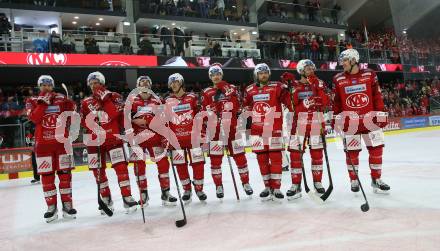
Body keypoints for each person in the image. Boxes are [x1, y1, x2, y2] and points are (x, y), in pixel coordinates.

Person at [332, 49, 390, 193]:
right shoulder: (338, 78)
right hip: (351, 123)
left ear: (353, 60)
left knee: (376, 151)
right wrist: (336, 118)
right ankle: (354, 180)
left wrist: (381, 113)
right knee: (352, 153)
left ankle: (376, 179)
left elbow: (377, 95)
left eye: (344, 60)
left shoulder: (369, 74)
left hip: (371, 121)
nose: (342, 63)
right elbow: (337, 102)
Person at [80, 72, 138, 214]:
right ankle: (106, 199)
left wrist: (105, 99)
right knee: (98, 172)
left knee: (121, 169)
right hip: (94, 141)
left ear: (102, 83)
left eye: (96, 82)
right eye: (91, 83)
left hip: (113, 138)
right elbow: (83, 122)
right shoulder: (86, 102)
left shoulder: (114, 96)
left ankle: (127, 197)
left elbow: (113, 114)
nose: (94, 86)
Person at [25, 75, 77, 222]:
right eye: (43, 85)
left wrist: (70, 102)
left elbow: (72, 116)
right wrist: (43, 104)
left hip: (63, 144)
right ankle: (51, 207)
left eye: (49, 85)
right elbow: (34, 118)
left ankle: (67, 205)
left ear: (52, 86)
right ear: (39, 86)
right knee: (47, 178)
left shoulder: (61, 98)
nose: (46, 87)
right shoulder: (32, 101)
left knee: (65, 176)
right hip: (43, 146)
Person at [201, 65, 253, 199]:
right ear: (210, 77)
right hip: (215, 132)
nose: (216, 76)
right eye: (213, 75)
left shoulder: (232, 88)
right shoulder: (207, 92)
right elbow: (204, 113)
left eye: (218, 74)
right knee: (215, 160)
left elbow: (238, 106)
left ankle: (246, 183)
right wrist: (211, 112)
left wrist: (227, 93)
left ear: (222, 75)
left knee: (240, 157)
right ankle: (218, 185)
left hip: (232, 129)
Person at [243, 63, 292, 202]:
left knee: (276, 159)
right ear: (256, 75)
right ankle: (267, 186)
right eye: (260, 73)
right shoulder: (249, 90)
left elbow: (289, 102)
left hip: (274, 129)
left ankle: (276, 188)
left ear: (268, 74)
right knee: (262, 160)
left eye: (265, 72)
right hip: (256, 131)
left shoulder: (277, 87)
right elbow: (246, 107)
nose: (263, 75)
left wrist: (290, 86)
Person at [128, 76, 178, 207]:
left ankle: (165, 192)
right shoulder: (131, 100)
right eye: (141, 83)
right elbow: (124, 119)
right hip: (138, 139)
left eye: (147, 83)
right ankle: (143, 193)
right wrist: (131, 121)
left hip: (155, 138)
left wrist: (146, 121)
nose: (144, 85)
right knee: (139, 167)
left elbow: (162, 119)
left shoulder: (158, 100)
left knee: (163, 164)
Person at [287, 60, 329, 200]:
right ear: (300, 70)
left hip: (316, 124)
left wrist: (318, 89)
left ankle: (317, 182)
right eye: (307, 68)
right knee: (295, 156)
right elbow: (293, 108)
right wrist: (305, 103)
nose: (310, 69)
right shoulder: (294, 86)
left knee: (317, 156)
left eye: (312, 67)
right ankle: (296, 184)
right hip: (298, 125)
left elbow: (325, 102)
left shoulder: (319, 83)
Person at [165, 73, 207, 204]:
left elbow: (201, 116)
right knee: (180, 166)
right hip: (177, 141)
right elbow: (165, 122)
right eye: (171, 82)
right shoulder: (167, 101)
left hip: (194, 138)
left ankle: (199, 189)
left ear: (181, 83)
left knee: (198, 164)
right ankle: (187, 190)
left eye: (176, 81)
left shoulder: (192, 98)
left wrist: (203, 132)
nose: (174, 84)